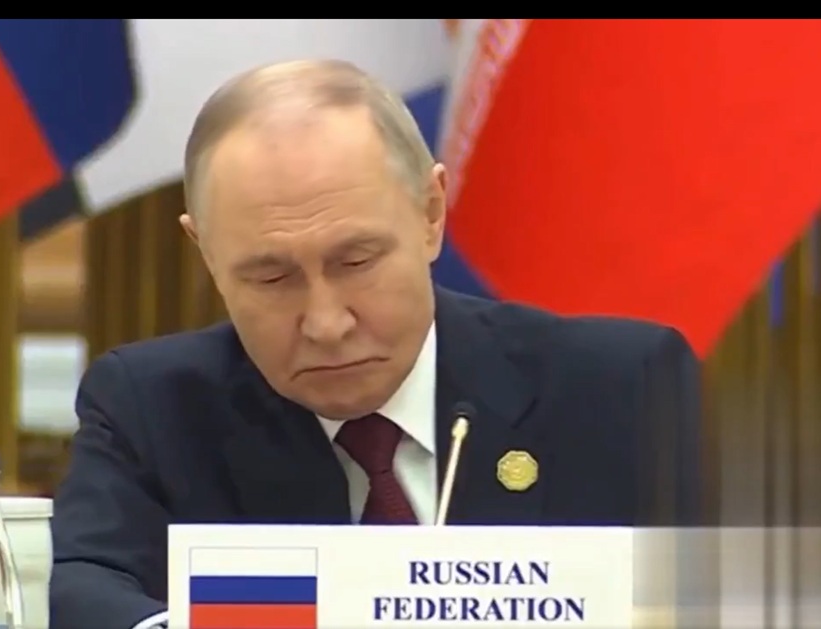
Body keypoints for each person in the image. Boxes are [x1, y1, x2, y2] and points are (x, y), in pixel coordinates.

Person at [49, 59, 702, 629]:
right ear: (207, 253)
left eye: (356, 261)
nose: (326, 322)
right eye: (272, 278)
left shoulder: (621, 389)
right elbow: (82, 586)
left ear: (430, 214)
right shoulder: (151, 408)